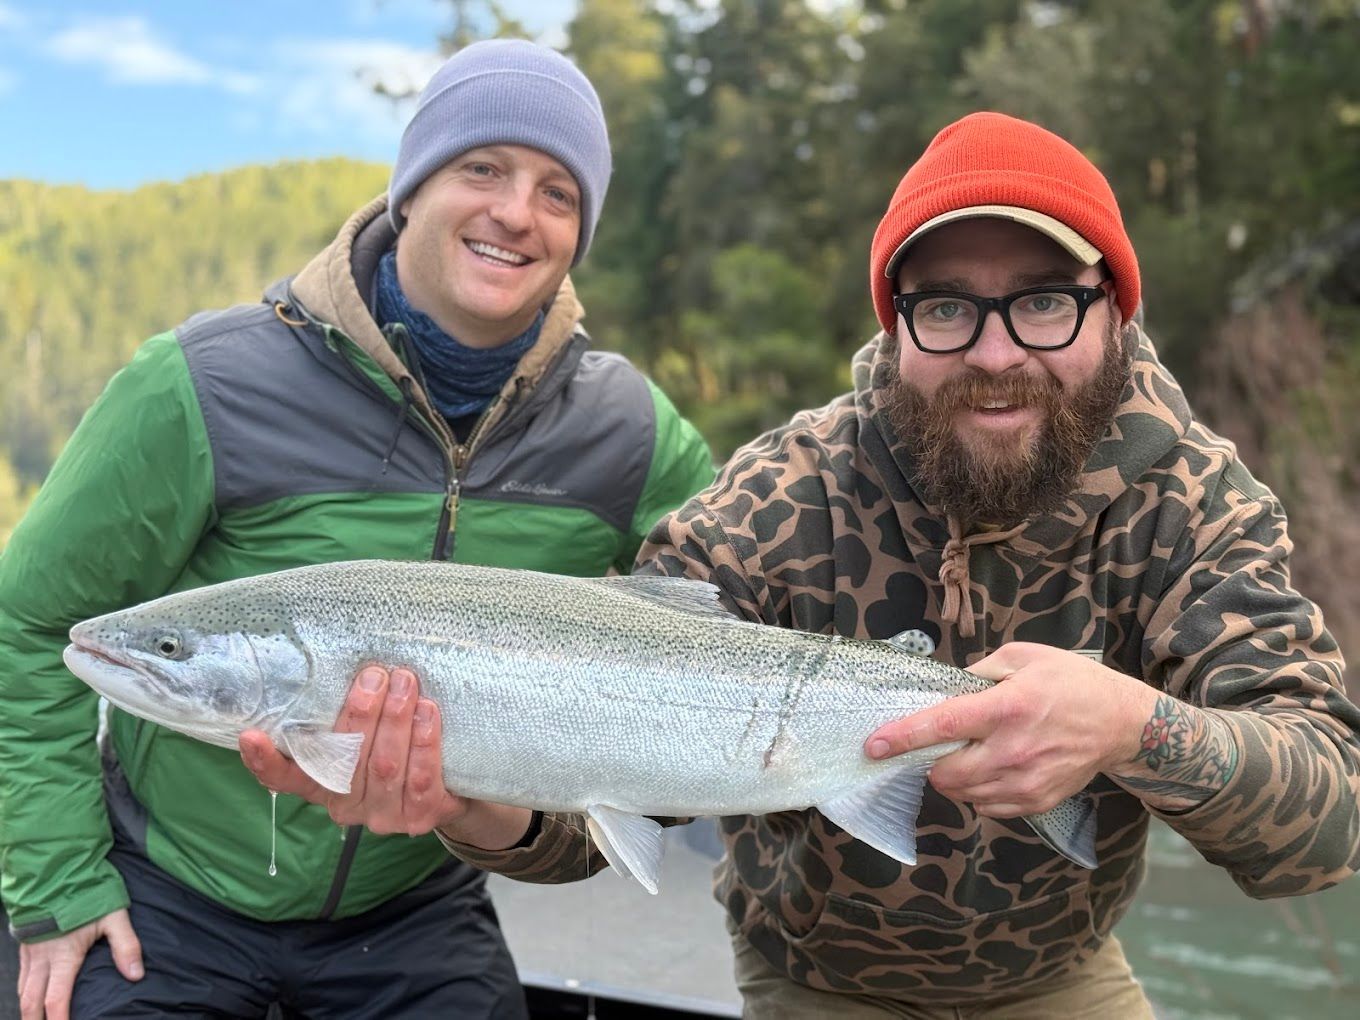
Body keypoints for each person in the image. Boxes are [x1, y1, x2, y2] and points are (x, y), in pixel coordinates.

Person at [253, 111, 1360, 1017]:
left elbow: (1328, 827)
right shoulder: (780, 497)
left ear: (1112, 310)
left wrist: (1133, 728)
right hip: (813, 979)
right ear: (895, 324)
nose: (993, 352)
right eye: (944, 308)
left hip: (1057, 977)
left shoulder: (1195, 503)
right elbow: (582, 841)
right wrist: (465, 802)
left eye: (1041, 301)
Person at [0, 38, 713, 1019]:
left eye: (559, 193)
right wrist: (57, 888)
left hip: (414, 905)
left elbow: (752, 621)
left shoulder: (630, 432)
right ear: (411, 187)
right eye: (483, 168)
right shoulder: (199, 384)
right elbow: (32, 622)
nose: (517, 211)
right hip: (168, 895)